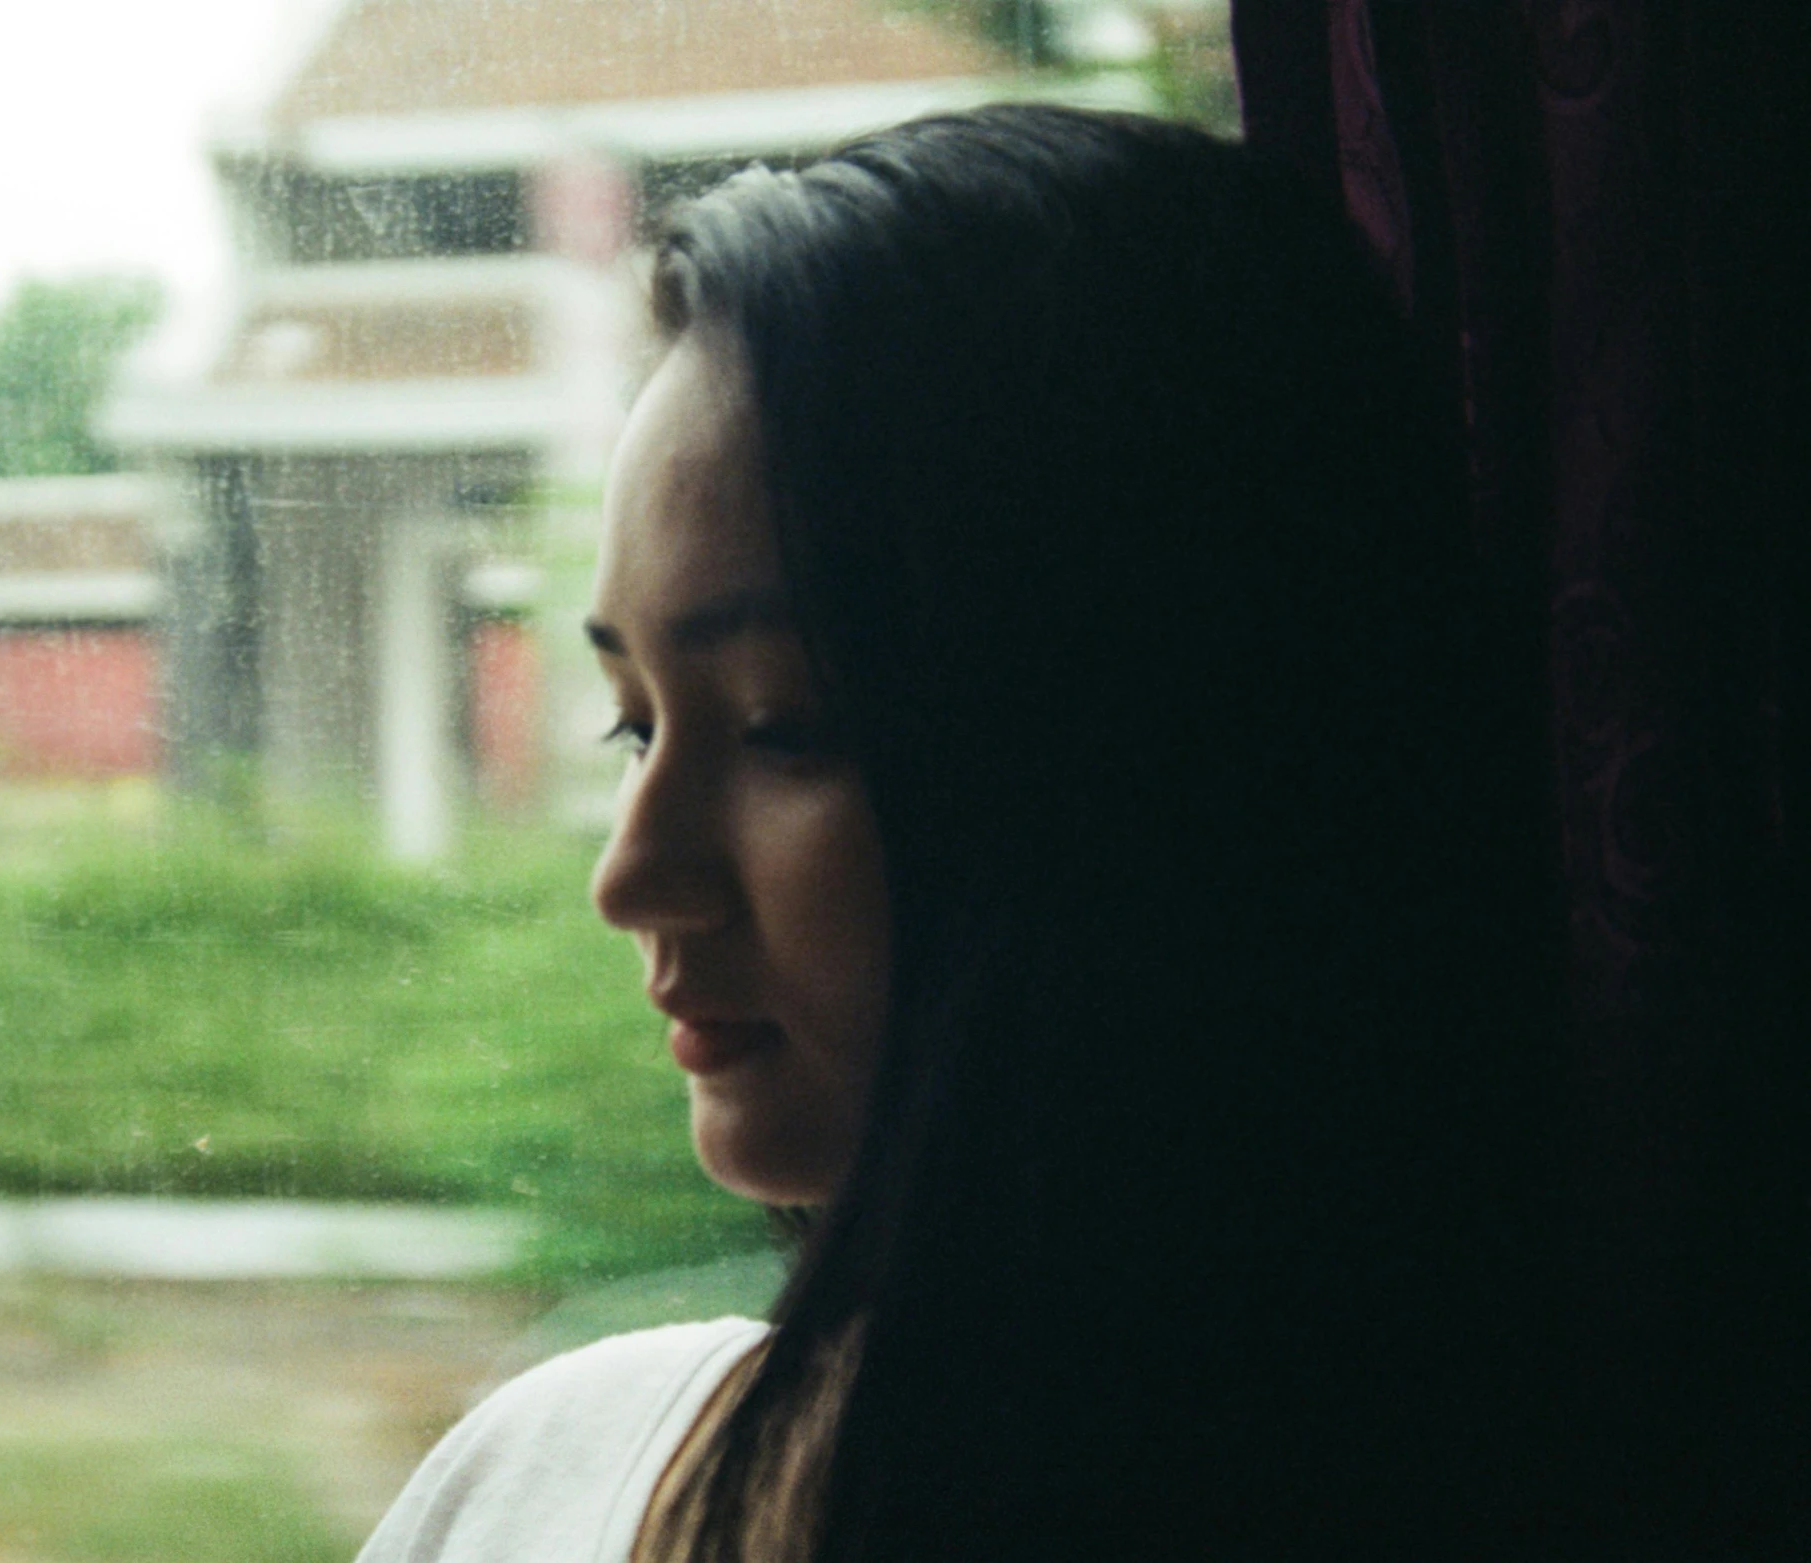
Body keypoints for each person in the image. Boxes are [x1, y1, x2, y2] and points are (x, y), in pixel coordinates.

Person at [357, 104, 1557, 1562]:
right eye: (632, 723)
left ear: (1145, 758)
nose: (629, 876)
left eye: (787, 722)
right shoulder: (535, 1480)